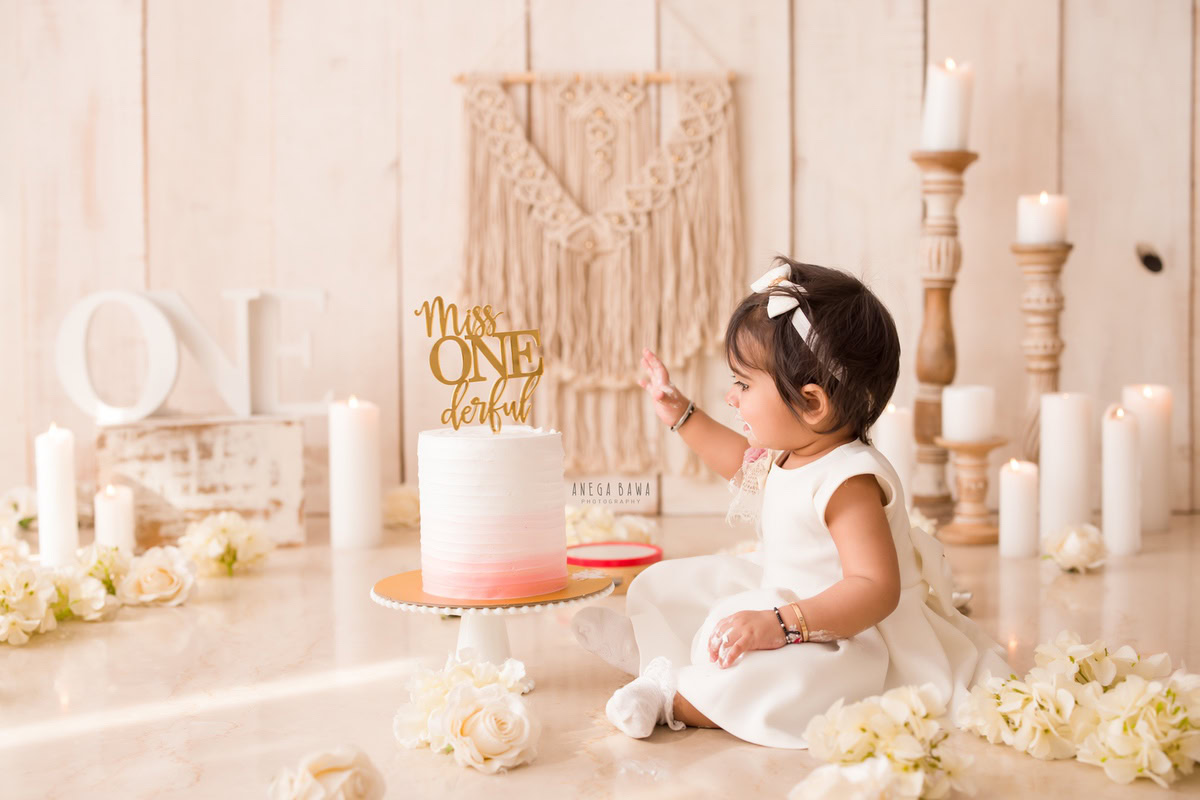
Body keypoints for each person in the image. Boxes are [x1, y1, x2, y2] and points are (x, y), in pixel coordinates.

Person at [571, 257, 1009, 747]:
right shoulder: (794, 450)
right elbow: (740, 464)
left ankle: (673, 697)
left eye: (743, 384)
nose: (731, 397)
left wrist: (783, 625)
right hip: (783, 595)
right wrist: (681, 413)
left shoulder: (848, 482)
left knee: (788, 679)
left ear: (812, 402)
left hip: (844, 629)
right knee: (679, 585)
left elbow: (875, 589)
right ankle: (652, 648)